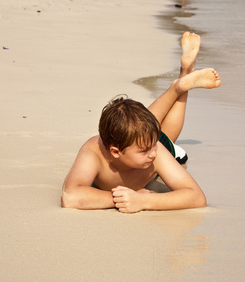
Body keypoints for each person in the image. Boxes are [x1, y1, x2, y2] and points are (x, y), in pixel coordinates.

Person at [61, 32, 221, 213]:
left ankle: (181, 82)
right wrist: (120, 199)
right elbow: (71, 196)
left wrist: (145, 201)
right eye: (145, 150)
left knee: (161, 135)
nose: (153, 153)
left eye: (153, 146)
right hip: (138, 137)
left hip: (145, 137)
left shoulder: (155, 149)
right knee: (144, 129)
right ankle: (180, 83)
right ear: (115, 151)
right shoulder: (93, 152)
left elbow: (197, 198)